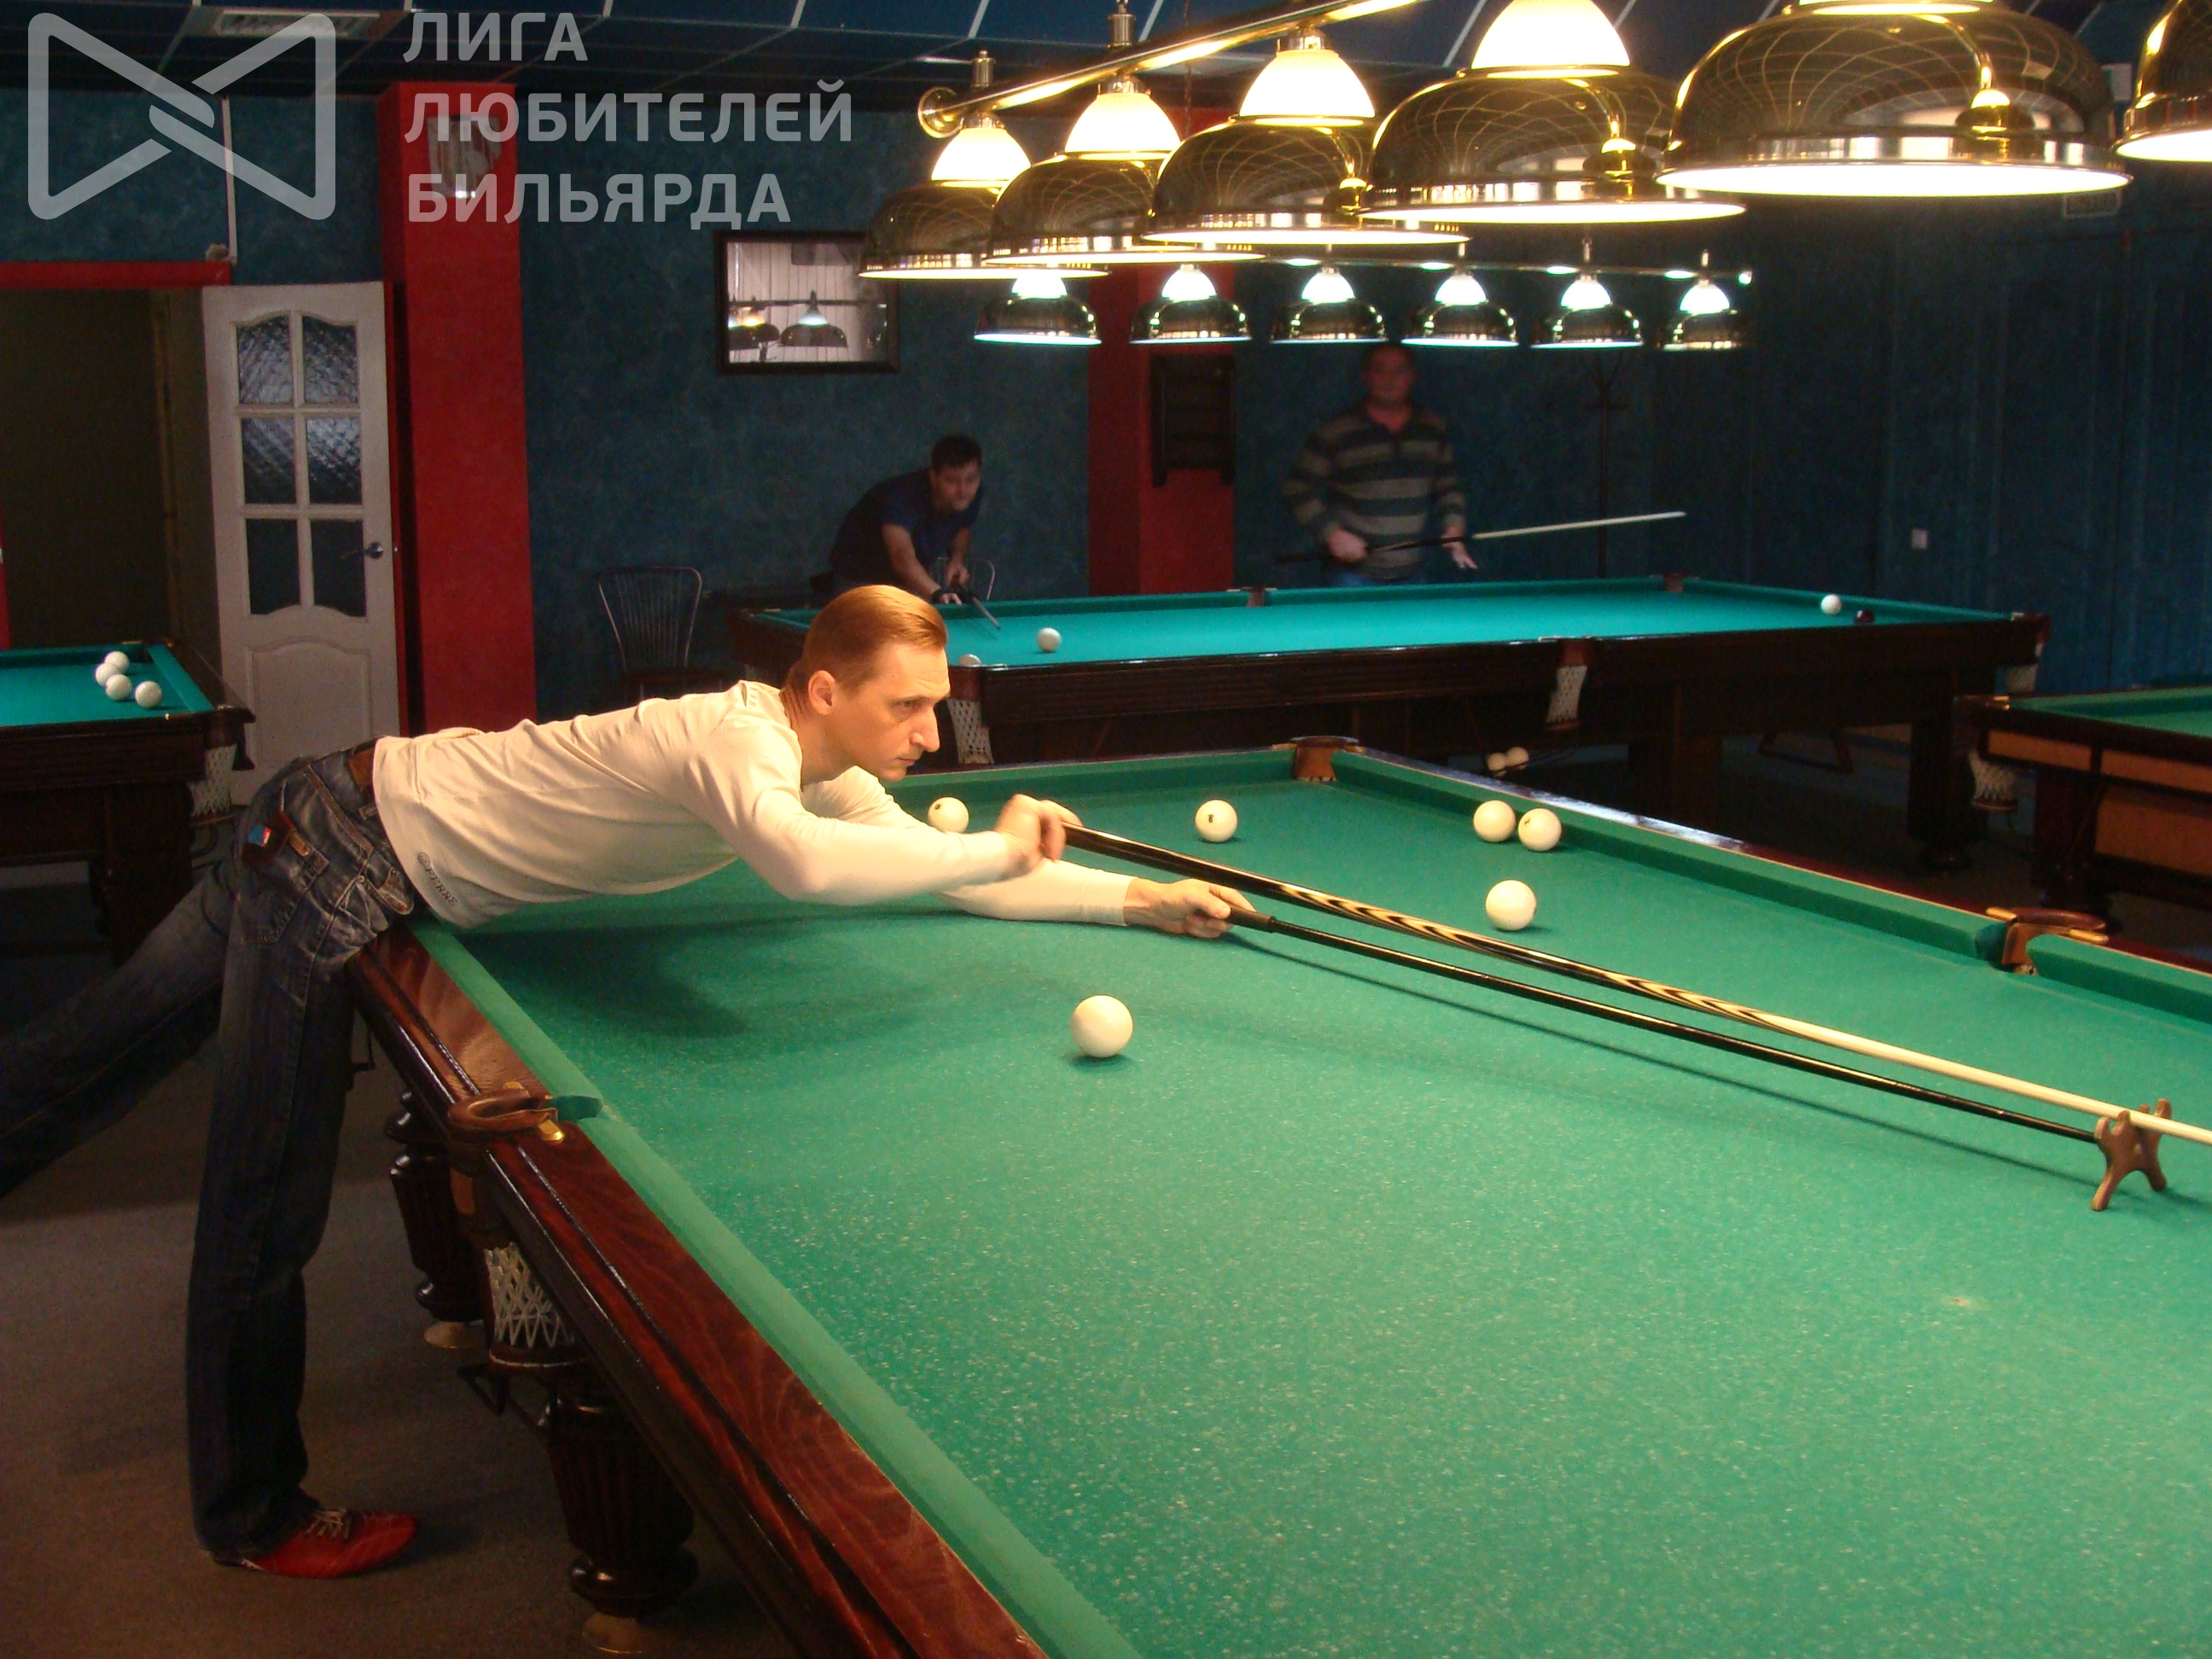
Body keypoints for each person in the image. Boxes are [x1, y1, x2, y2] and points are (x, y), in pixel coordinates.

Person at [0, 585, 1242, 1580]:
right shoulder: (736, 738)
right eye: (909, 706)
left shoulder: (828, 772)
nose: (931, 735)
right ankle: (253, 1515)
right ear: (824, 690)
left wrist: (1138, 900)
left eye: (936, 706)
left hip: (325, 809)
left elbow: (944, 873)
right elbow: (808, 871)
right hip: (342, 856)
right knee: (262, 1206)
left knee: (89, 1056)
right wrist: (999, 845)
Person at [1284, 343, 1471, 585]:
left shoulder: (1432, 428)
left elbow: (1449, 488)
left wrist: (1454, 528)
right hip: (1350, 575)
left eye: (1399, 370)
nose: (1389, 379)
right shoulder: (1336, 432)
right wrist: (1332, 534)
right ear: (1365, 376)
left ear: (1413, 376)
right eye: (1380, 370)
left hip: (1413, 573)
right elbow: (1297, 487)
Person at [829, 434, 984, 600]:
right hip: (859, 582)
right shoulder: (900, 498)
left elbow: (962, 525)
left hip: (907, 581)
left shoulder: (968, 496)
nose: (962, 490)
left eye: (971, 480)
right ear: (933, 477)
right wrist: (937, 591)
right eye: (951, 481)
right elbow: (901, 555)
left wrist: (956, 559)